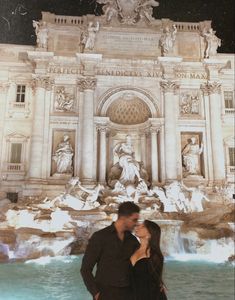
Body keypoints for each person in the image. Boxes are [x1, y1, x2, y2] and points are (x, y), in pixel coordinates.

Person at [81, 201, 140, 300]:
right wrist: (96, 293)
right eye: (134, 220)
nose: (136, 224)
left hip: (128, 294)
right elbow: (85, 269)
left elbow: (140, 266)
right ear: (123, 218)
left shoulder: (133, 241)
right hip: (105, 294)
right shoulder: (100, 237)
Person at [131, 220, 167, 300]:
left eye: (143, 226)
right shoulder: (132, 248)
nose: (138, 227)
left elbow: (155, 283)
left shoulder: (155, 256)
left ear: (150, 234)